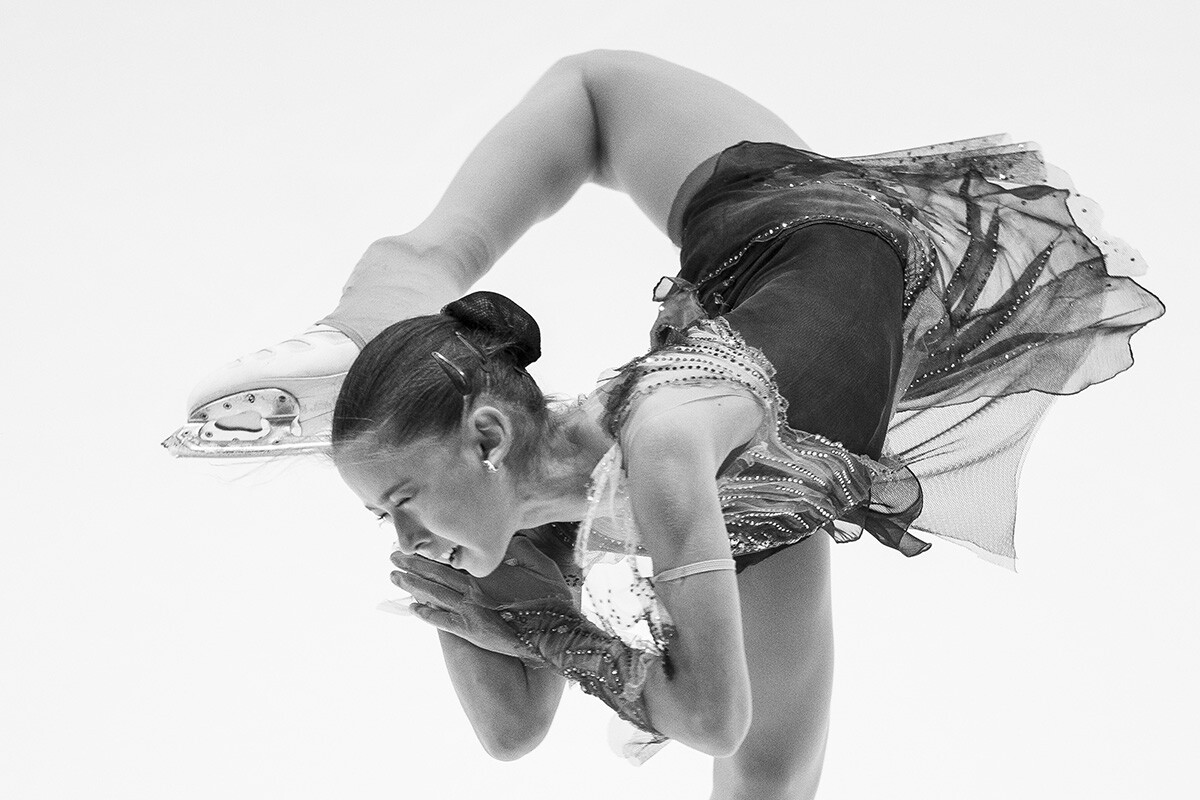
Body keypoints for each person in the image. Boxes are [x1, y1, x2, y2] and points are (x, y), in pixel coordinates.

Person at [169, 51, 1164, 799]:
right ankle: (377, 355)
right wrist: (469, 583)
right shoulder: (724, 483)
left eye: (399, 505)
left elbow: (710, 713)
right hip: (772, 376)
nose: (403, 536)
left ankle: (365, 326)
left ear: (484, 439)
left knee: (591, 99)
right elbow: (517, 729)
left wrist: (538, 617)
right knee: (773, 775)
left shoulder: (665, 448)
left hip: (794, 219)